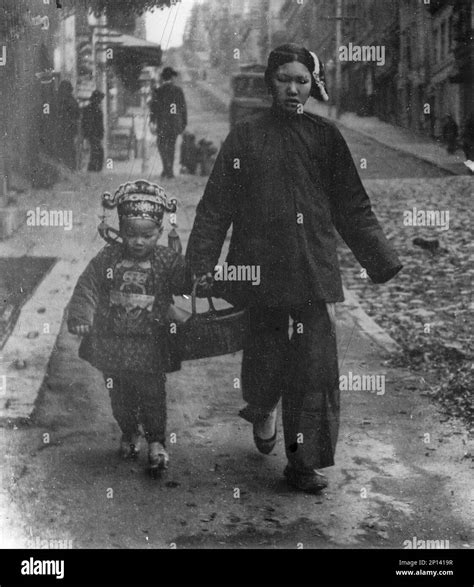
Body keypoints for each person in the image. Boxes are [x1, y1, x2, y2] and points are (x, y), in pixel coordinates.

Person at [185, 44, 403, 494]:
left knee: (314, 367)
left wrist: (380, 260)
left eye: (302, 80)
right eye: (284, 78)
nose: (293, 88)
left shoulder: (326, 137)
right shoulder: (245, 137)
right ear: (270, 82)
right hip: (258, 270)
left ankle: (304, 462)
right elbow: (216, 205)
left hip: (311, 267)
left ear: (312, 85)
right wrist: (201, 264)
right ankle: (262, 405)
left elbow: (352, 206)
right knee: (265, 350)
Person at [67, 179, 189, 476]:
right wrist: (83, 315)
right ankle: (129, 431)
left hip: (150, 344)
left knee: (152, 394)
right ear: (120, 230)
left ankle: (157, 442)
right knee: (119, 395)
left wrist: (198, 276)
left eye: (147, 235)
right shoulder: (108, 258)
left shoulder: (166, 259)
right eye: (131, 234)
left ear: (160, 232)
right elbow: (88, 285)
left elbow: (185, 280)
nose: (138, 241)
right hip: (113, 344)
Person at [149, 67, 187, 179]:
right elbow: (183, 108)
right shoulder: (178, 91)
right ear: (172, 78)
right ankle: (168, 169)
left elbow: (153, 108)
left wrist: (152, 121)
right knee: (171, 146)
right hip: (175, 123)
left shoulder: (158, 91)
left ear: (162, 78)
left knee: (161, 145)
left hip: (163, 123)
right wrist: (183, 123)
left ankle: (167, 168)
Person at [56, 80, 80, 170]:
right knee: (69, 149)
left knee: (64, 149)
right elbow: (77, 115)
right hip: (69, 129)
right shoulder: (72, 101)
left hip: (62, 128)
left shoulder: (57, 100)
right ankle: (70, 168)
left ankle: (67, 168)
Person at [82, 90, 105, 172]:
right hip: (93, 135)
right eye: (99, 99)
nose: (100, 101)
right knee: (96, 153)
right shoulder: (93, 110)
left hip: (93, 135)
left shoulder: (91, 109)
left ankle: (94, 169)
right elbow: (89, 124)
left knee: (96, 152)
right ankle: (93, 169)